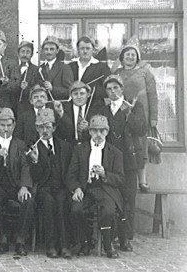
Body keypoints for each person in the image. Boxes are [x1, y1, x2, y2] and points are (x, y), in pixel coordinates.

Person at [96, 74, 148, 252]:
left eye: (115, 88)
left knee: (128, 199)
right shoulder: (104, 110)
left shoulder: (134, 107)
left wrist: (128, 113)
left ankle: (126, 238)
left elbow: (142, 129)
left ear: (122, 89)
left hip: (129, 160)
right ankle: (112, 236)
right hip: (111, 162)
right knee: (113, 199)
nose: (112, 92)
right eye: (109, 89)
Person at [66, 115, 125, 259]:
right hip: (86, 189)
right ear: (90, 132)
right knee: (76, 209)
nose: (98, 135)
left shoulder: (115, 152)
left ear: (107, 132)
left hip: (106, 189)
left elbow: (121, 179)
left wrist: (105, 174)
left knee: (109, 210)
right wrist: (76, 188)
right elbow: (71, 175)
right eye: (95, 131)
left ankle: (107, 243)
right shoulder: (80, 150)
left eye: (102, 131)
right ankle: (85, 240)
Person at [0, 108, 33, 256]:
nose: (6, 128)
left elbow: (25, 166)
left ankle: (20, 240)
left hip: (15, 185)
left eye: (9, 125)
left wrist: (24, 186)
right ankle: (1, 238)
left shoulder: (20, 145)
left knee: (28, 201)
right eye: (2, 125)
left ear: (14, 125)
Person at [26, 109, 73, 259]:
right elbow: (34, 176)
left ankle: (64, 245)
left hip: (60, 187)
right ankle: (50, 245)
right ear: (36, 128)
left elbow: (69, 172)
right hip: (43, 188)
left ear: (54, 128)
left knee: (61, 202)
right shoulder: (32, 147)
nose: (44, 131)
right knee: (48, 203)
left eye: (47, 127)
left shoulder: (64, 147)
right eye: (40, 127)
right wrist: (35, 161)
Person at [114, 36, 158, 192]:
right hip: (122, 113)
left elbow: (153, 95)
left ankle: (142, 181)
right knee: (124, 144)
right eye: (127, 54)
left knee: (140, 146)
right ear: (122, 57)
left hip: (141, 115)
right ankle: (123, 178)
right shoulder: (117, 72)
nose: (130, 57)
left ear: (137, 57)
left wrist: (153, 118)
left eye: (133, 55)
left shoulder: (145, 73)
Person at [69, 36, 111, 109]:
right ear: (78, 50)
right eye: (82, 48)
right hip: (72, 106)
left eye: (88, 48)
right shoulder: (70, 65)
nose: (85, 51)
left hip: (94, 106)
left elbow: (108, 89)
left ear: (93, 50)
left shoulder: (102, 67)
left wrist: (90, 90)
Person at [55, 81, 94, 146]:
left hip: (88, 146)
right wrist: (61, 114)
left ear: (88, 95)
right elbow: (61, 132)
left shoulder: (94, 109)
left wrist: (89, 127)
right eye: (75, 94)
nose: (79, 97)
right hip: (69, 146)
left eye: (82, 93)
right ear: (70, 95)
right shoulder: (63, 109)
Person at [38, 36, 74, 101]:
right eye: (46, 49)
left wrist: (53, 89)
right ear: (43, 51)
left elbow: (70, 91)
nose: (49, 52)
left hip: (59, 107)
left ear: (57, 51)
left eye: (52, 49)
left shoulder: (65, 68)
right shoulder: (39, 69)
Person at [12, 40, 41, 116]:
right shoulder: (13, 69)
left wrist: (27, 88)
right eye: (22, 52)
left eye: (28, 52)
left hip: (29, 109)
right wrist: (18, 85)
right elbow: (9, 86)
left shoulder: (37, 70)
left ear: (31, 54)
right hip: (14, 107)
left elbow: (38, 90)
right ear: (18, 54)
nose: (25, 54)